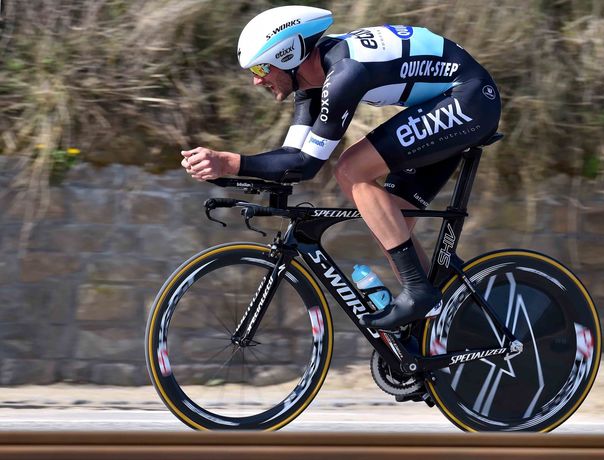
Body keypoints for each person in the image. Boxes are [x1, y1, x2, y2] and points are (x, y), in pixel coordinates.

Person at [181, 5, 501, 331]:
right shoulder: (311, 83)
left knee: (351, 169)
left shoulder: (345, 74)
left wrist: (230, 162)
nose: (255, 80)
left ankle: (420, 294)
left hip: (469, 98)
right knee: (388, 220)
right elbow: (293, 156)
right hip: (445, 102)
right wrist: (233, 172)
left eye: (261, 68)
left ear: (288, 56)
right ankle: (441, 324)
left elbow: (307, 166)